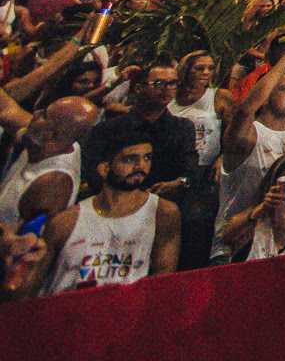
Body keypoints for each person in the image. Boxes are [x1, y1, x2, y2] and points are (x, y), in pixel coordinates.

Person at [213, 24, 285, 262]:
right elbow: (245, 109)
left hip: (280, 246)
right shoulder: (247, 134)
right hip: (235, 247)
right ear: (265, 97)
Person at [28, 125, 181, 295]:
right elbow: (30, 286)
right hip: (69, 314)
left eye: (147, 158)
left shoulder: (163, 212)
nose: (141, 165)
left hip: (126, 314)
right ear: (104, 169)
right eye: (130, 159)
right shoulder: (66, 222)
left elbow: (162, 279)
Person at [84, 60, 197, 200]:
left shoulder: (183, 128)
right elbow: (92, 172)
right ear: (138, 88)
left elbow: (189, 165)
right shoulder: (109, 128)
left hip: (160, 205)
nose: (167, 89)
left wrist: (181, 182)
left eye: (173, 84)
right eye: (159, 84)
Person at [0, 96, 97, 228]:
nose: (36, 113)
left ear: (49, 134)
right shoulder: (54, 140)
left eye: (44, 115)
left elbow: (26, 239)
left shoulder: (52, 186)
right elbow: (6, 109)